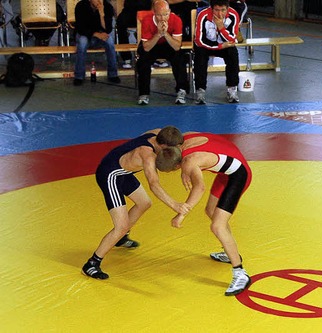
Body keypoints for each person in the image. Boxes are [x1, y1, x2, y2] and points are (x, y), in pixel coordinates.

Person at [82, 126, 191, 280]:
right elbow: (154, 184)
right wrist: (175, 205)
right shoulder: (147, 156)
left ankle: (120, 238)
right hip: (110, 175)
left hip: (123, 171)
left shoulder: (157, 133)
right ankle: (92, 263)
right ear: (164, 146)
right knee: (121, 226)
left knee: (144, 203)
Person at [164, 131, 252, 296]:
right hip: (228, 169)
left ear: (177, 165)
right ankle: (229, 252)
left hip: (239, 175)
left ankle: (240, 273)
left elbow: (199, 188)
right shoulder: (184, 139)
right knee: (211, 211)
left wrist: (181, 214)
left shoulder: (189, 162)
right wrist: (186, 170)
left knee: (218, 226)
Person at [136, 0, 189, 105]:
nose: (163, 18)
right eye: (159, 15)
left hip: (169, 44)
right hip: (152, 44)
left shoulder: (176, 20)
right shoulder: (147, 20)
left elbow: (177, 46)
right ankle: (144, 93)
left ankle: (181, 90)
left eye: (165, 14)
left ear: (169, 11)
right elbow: (146, 47)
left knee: (180, 57)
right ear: (154, 13)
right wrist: (159, 34)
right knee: (143, 60)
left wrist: (165, 34)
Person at [193, 0, 241, 104]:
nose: (220, 14)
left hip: (225, 45)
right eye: (216, 10)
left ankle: (232, 89)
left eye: (223, 10)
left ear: (227, 8)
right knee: (199, 57)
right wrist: (218, 46)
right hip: (206, 45)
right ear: (211, 8)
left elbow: (232, 39)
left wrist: (221, 27)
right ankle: (200, 90)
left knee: (233, 54)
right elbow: (199, 40)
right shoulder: (203, 15)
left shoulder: (233, 15)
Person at [73, 0, 121, 86]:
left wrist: (102, 14)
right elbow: (80, 28)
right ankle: (79, 76)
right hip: (85, 34)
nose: (99, 1)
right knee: (82, 42)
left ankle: (113, 74)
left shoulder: (107, 7)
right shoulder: (81, 6)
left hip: (100, 36)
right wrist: (95, 34)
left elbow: (108, 29)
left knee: (110, 41)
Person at [116, 0, 152, 69]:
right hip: (130, 10)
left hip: (146, 10)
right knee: (120, 21)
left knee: (153, 21)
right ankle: (126, 57)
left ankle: (152, 56)